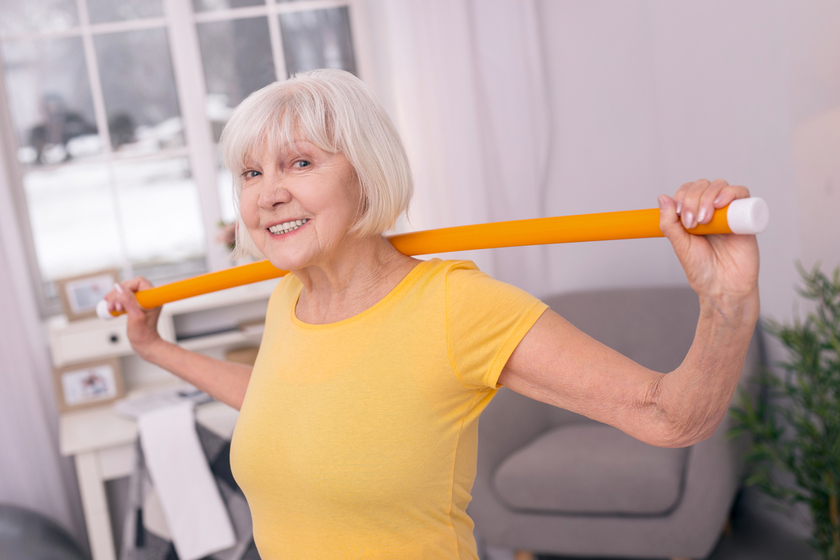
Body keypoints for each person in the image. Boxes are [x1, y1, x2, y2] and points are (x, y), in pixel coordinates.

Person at [104, 69, 760, 559]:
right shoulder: (292, 297)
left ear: (365, 175)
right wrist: (159, 351)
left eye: (299, 163)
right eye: (250, 173)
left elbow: (670, 416)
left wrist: (726, 304)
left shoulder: (456, 307)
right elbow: (288, 407)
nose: (270, 193)